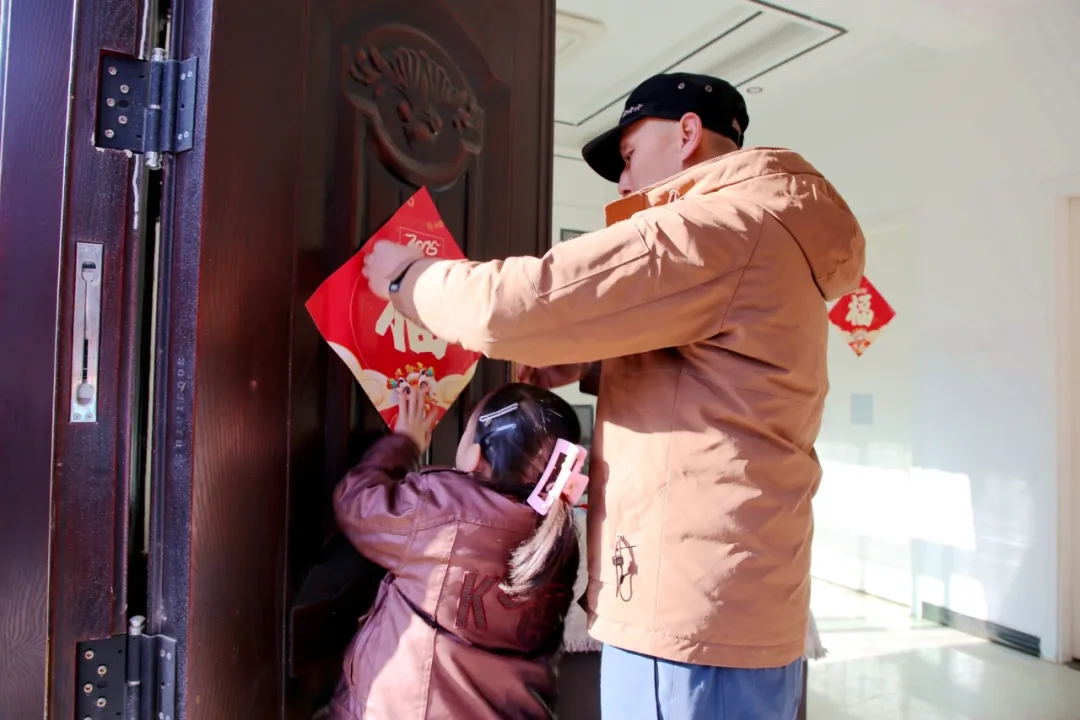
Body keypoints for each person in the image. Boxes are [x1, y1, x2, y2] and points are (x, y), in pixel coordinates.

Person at [361, 72, 865, 719]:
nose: (624, 185)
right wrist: (586, 364)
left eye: (628, 158)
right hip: (743, 602)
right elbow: (724, 376)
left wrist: (407, 277)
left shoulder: (718, 224)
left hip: (687, 618)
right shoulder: (775, 233)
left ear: (686, 134)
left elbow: (523, 301)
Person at [328, 384, 584, 719]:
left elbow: (357, 504)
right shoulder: (559, 538)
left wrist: (405, 443)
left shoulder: (444, 510)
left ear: (476, 456)